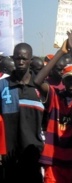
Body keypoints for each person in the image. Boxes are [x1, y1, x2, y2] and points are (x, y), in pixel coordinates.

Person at [34, 30, 72, 183]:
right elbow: (37, 81)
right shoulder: (55, 97)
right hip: (54, 160)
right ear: (62, 81)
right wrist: (60, 52)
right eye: (68, 80)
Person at [0, 43, 44, 183]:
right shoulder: (2, 85)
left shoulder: (40, 87)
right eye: (17, 58)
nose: (20, 62)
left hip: (34, 154)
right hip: (9, 155)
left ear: (31, 60)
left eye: (24, 59)